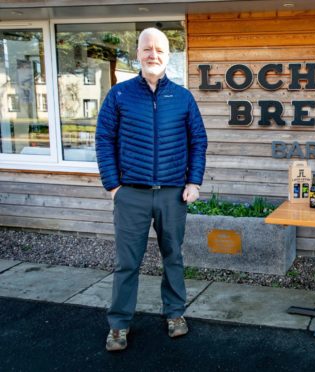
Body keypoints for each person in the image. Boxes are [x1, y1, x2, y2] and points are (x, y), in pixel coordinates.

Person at [95, 27, 207, 352]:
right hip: (132, 193)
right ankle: (118, 325)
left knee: (173, 256)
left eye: (159, 49)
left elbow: (198, 140)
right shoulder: (119, 94)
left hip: (173, 194)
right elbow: (104, 139)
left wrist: (194, 182)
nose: (152, 54)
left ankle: (174, 314)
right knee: (127, 262)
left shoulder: (182, 97)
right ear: (138, 54)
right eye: (147, 49)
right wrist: (114, 186)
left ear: (167, 55)